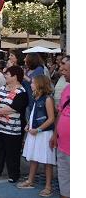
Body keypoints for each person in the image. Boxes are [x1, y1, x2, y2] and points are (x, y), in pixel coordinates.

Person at [17, 75, 56, 197]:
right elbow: (34, 114)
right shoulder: (37, 97)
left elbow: (51, 119)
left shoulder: (47, 99)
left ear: (40, 84)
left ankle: (48, 186)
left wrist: (38, 129)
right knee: (34, 157)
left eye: (33, 82)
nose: (31, 84)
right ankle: (30, 180)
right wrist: (28, 124)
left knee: (46, 160)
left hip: (43, 133)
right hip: (35, 131)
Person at [0, 66, 28, 183]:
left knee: (13, 152)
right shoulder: (2, 88)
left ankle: (14, 174)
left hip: (13, 128)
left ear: (15, 76)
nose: (5, 76)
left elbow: (13, 108)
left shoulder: (21, 92)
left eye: (7, 74)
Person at [50, 55, 70, 198]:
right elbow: (60, 113)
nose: (61, 68)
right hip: (62, 144)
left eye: (64, 65)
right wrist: (55, 134)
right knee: (64, 176)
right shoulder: (67, 89)